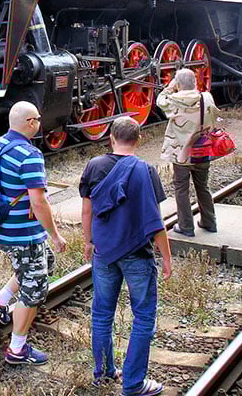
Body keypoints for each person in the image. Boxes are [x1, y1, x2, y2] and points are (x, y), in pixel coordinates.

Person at [80, 117, 172, 395]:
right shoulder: (146, 170)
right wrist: (166, 257)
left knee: (102, 314)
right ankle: (133, 383)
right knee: (143, 317)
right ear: (139, 139)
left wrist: (88, 242)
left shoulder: (94, 167)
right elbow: (156, 220)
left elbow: (87, 211)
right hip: (137, 255)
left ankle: (104, 373)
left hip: (104, 252)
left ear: (110, 137)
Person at [0, 101, 67, 366]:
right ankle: (17, 349)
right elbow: (39, 203)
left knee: (44, 264)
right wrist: (55, 234)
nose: (39, 123)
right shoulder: (30, 155)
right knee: (34, 289)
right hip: (23, 233)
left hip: (3, 226)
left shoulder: (0, 144)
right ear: (30, 123)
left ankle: (0, 300)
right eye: (38, 119)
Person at [157, 68, 222, 237]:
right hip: (202, 150)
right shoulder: (206, 97)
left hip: (182, 154)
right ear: (194, 82)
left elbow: (159, 100)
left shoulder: (172, 100)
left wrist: (170, 87)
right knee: (203, 187)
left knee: (181, 189)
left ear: (178, 85)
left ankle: (186, 226)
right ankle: (209, 222)